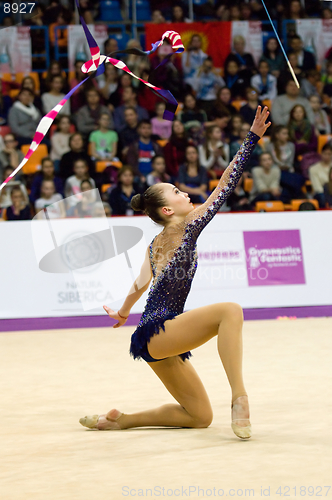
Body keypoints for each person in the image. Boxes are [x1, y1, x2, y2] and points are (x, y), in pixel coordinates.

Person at [80, 106, 270, 437]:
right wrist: (251, 139)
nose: (185, 194)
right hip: (160, 330)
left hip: (154, 340)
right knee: (230, 311)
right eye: (178, 193)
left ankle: (119, 420)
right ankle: (240, 398)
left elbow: (141, 283)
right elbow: (226, 184)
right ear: (168, 210)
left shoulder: (155, 243)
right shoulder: (188, 225)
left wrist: (124, 312)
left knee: (198, 417)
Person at [309, 143, 332, 208]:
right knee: (322, 196)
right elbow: (317, 187)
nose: (327, 156)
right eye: (325, 154)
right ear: (321, 153)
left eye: (329, 154)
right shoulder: (313, 169)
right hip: (321, 193)